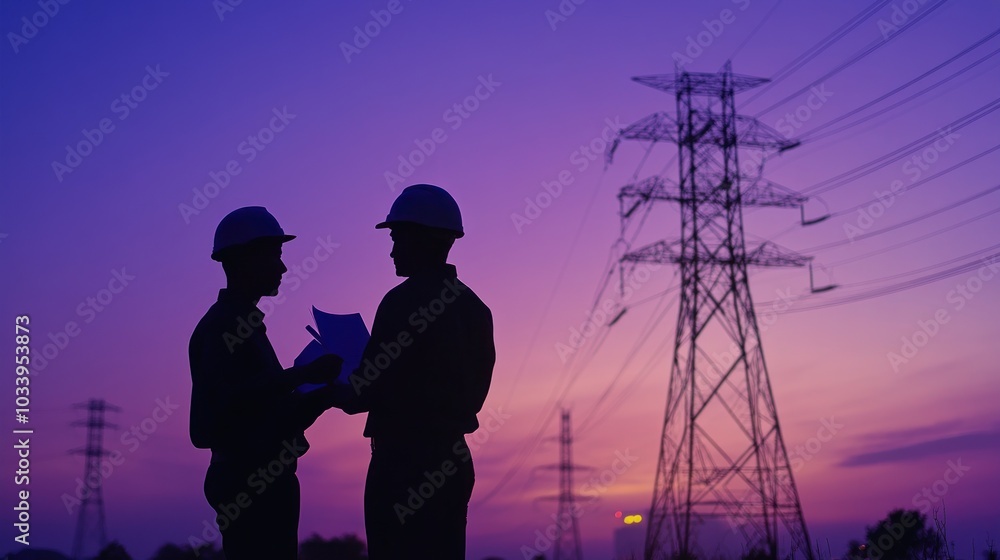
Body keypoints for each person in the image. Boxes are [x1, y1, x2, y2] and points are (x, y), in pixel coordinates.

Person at [333, 184, 496, 559]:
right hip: (453, 463)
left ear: (421, 239)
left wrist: (326, 383)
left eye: (397, 237)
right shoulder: (476, 309)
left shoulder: (401, 302)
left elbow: (364, 392)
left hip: (401, 466)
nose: (392, 250)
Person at [188, 206, 343, 560]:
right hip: (247, 480)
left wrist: (326, 394)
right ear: (243, 260)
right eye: (274, 255)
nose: (283, 267)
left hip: (264, 478)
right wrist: (304, 375)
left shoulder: (244, 326)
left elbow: (268, 410)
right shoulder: (221, 327)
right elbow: (229, 404)